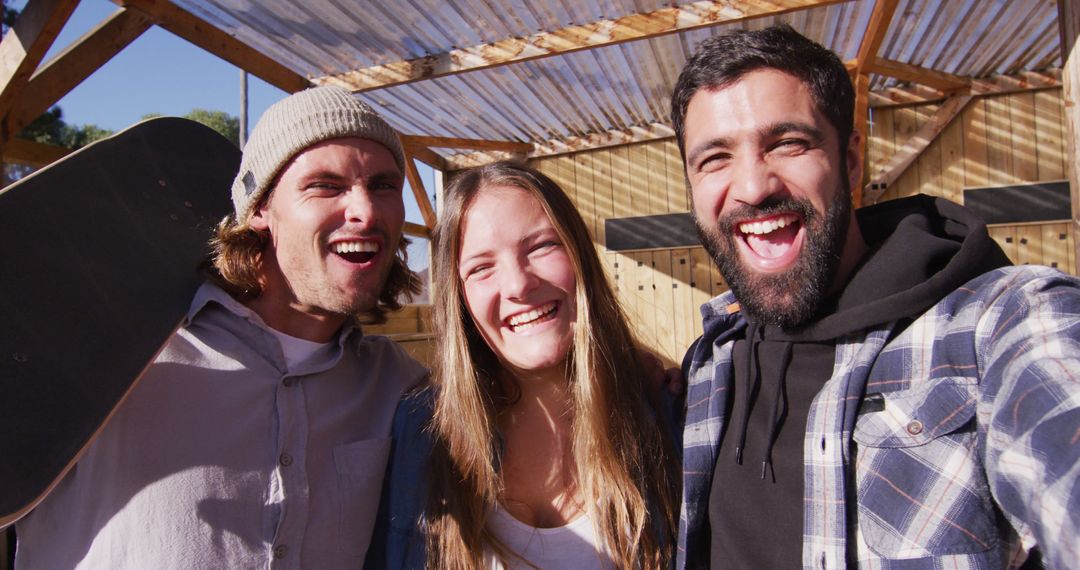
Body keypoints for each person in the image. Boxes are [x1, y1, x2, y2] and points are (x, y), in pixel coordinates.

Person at [671, 24, 1080, 569]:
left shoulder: (1001, 324)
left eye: (788, 143)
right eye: (714, 158)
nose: (752, 186)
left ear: (851, 161)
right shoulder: (707, 365)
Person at [13, 85, 427, 567]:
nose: (366, 210)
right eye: (325, 186)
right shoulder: (119, 349)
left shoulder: (401, 387)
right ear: (258, 210)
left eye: (383, 185)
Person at [367, 161, 678, 569]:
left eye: (541, 246)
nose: (517, 285)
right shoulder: (422, 431)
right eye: (481, 268)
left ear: (580, 255)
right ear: (459, 298)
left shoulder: (669, 414)